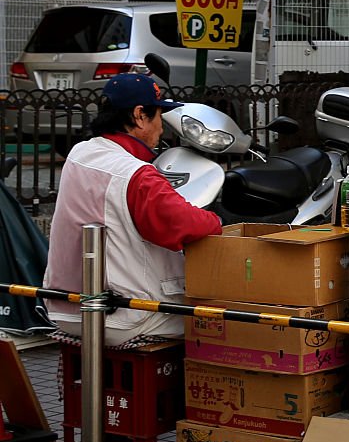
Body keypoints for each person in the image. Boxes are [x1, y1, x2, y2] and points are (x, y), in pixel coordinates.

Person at [43, 73, 222, 346]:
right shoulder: (135, 174)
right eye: (159, 116)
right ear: (140, 116)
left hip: (64, 308)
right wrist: (218, 219)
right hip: (124, 316)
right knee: (222, 321)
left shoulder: (80, 153)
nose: (162, 128)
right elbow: (182, 225)